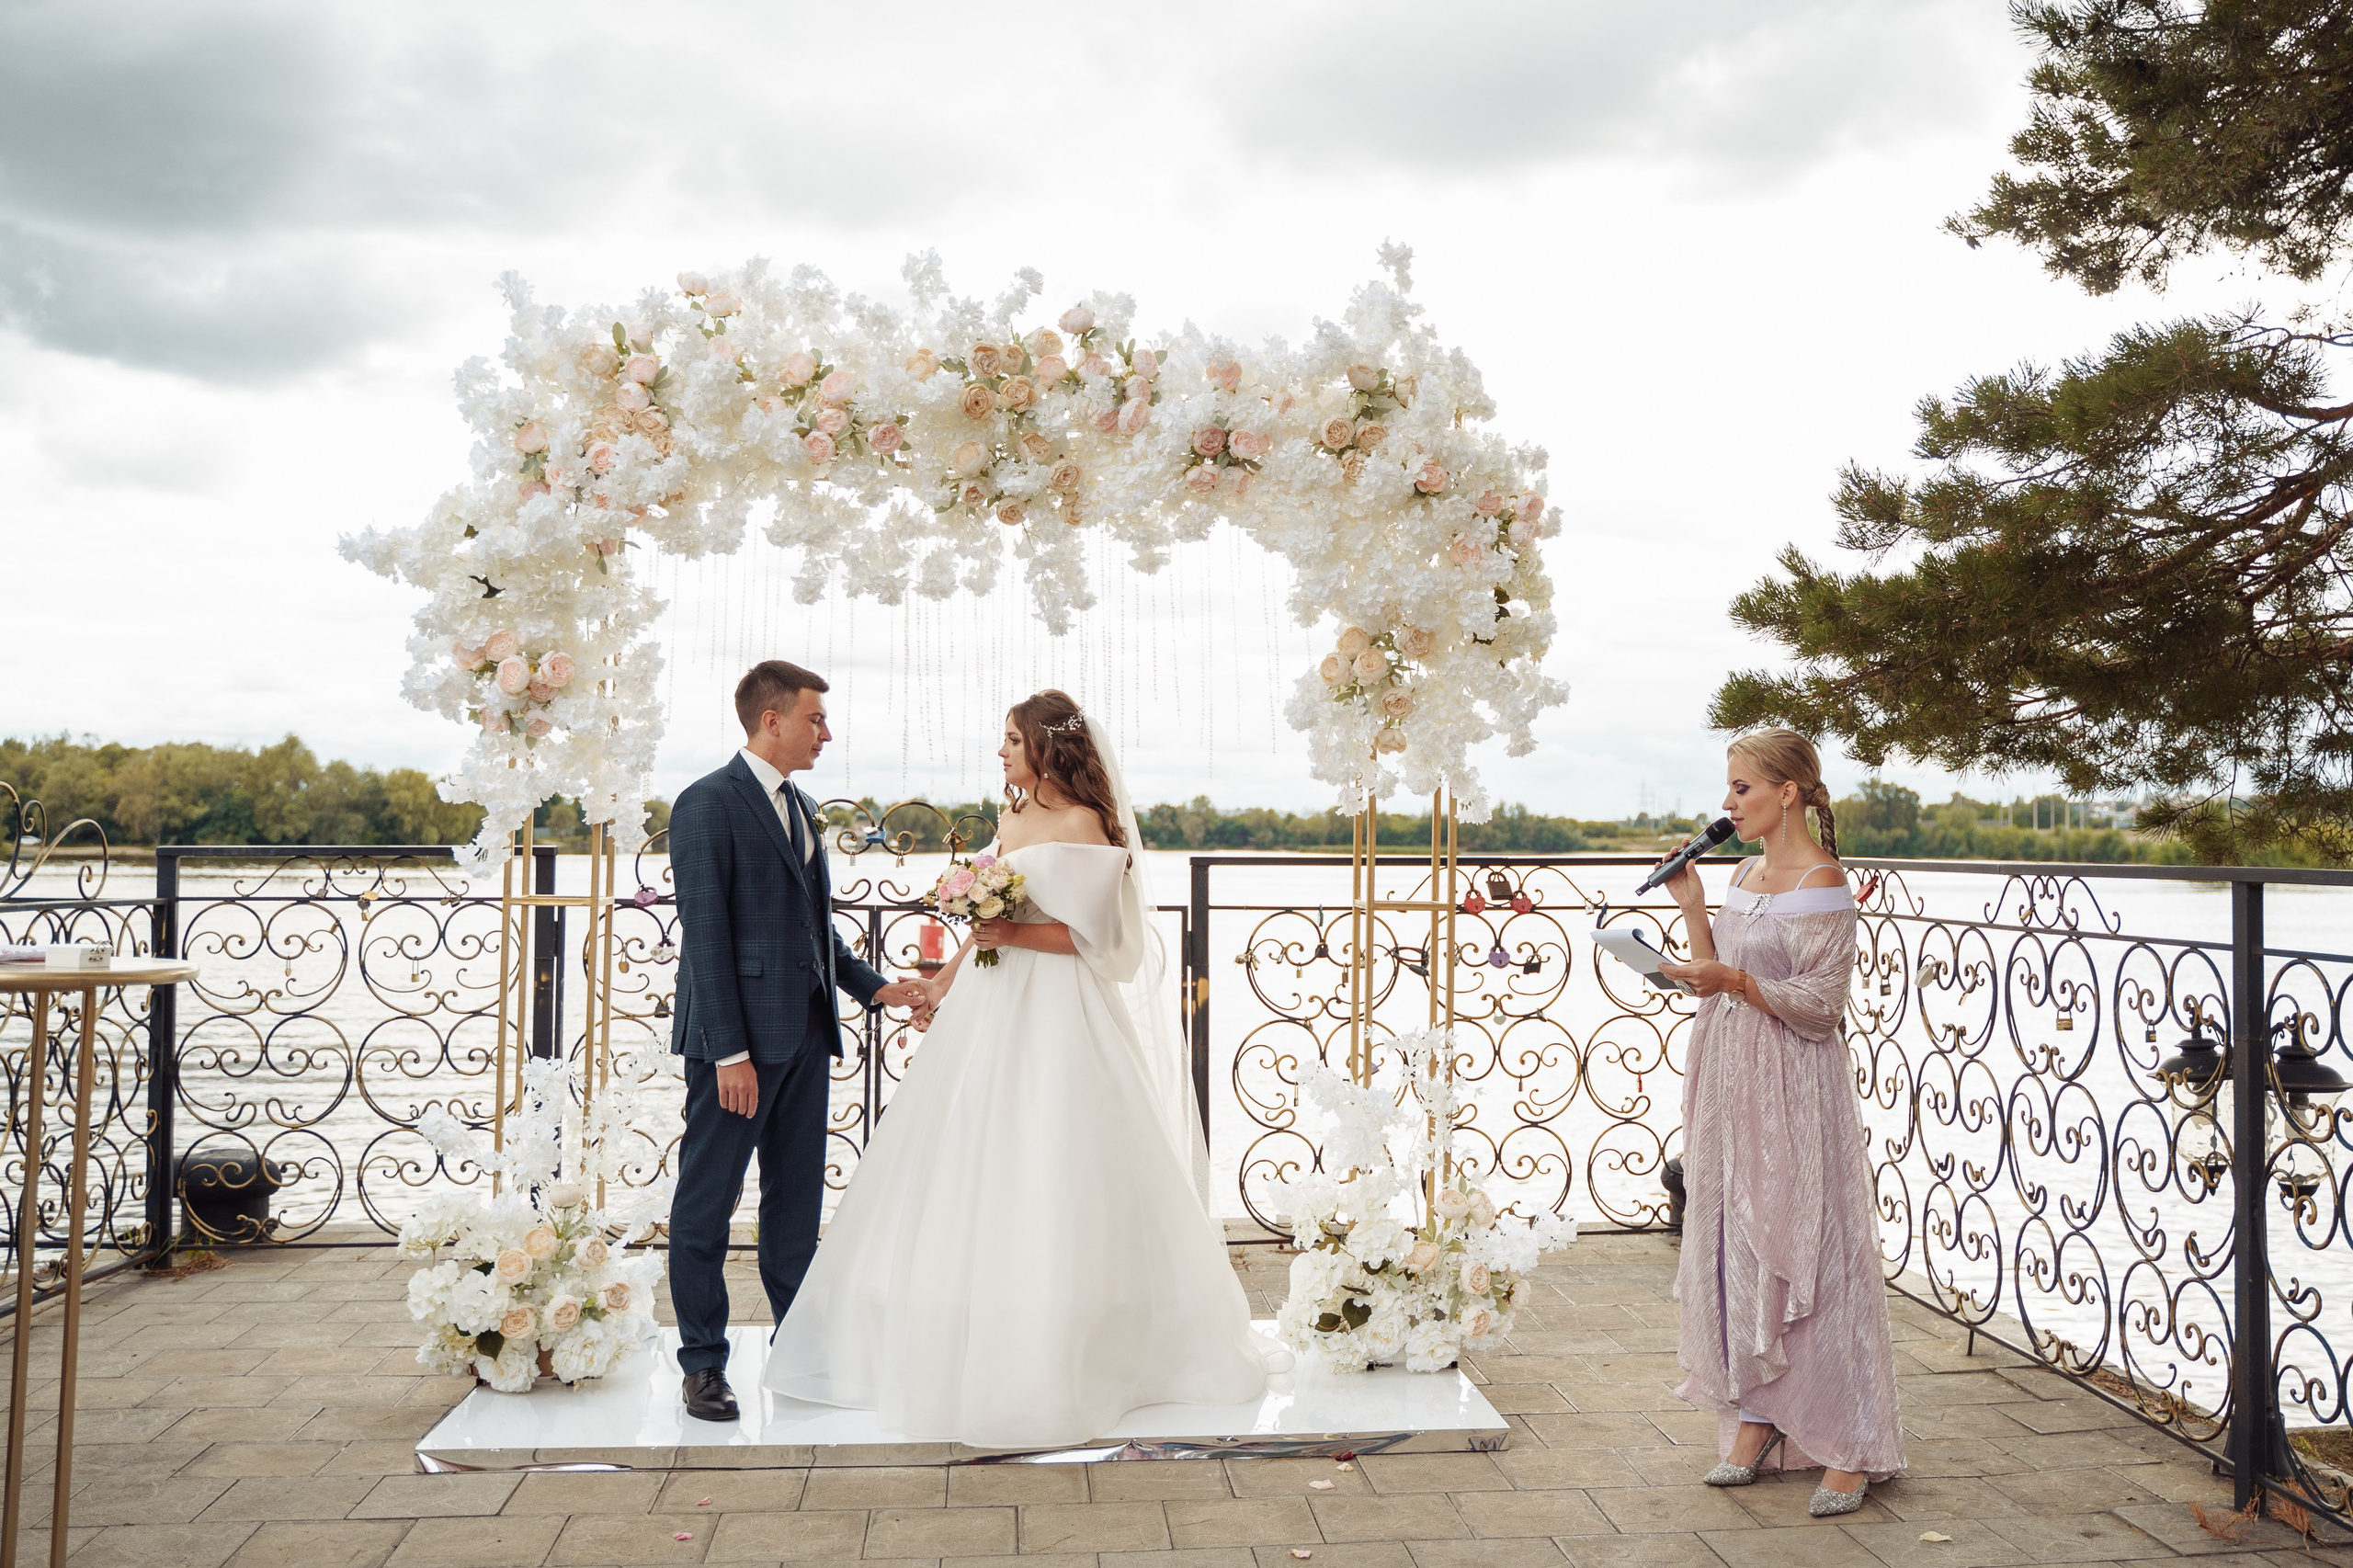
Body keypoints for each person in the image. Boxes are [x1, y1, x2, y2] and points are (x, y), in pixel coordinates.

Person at [761, 689, 1276, 1447]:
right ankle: (968, 1328)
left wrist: (1012, 932)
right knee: (973, 1150)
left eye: (1010, 739)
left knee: (1058, 1153)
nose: (1000, 751)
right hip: (992, 1001)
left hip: (1061, 1007)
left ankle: (1079, 1340)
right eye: (1001, 739)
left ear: (1044, 744)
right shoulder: (1009, 817)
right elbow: (984, 927)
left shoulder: (1086, 823)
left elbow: (1097, 942)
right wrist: (943, 980)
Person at [665, 660, 931, 1422]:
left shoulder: (802, 806)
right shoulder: (706, 805)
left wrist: (878, 988)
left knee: (794, 1206)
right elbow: (707, 941)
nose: (827, 732)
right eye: (816, 718)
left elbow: (818, 932)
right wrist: (729, 1053)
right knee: (705, 1205)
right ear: (771, 719)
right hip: (738, 1050)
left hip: (809, 1038)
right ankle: (703, 1365)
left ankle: (799, 1346)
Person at [1654, 727, 1904, 1516]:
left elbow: (1821, 1007)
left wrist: (1732, 977)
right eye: (1728, 789)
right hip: (1729, 1067)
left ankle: (1849, 1442)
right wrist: (1694, 909)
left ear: (1787, 793)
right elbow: (1715, 978)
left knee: (1810, 1240)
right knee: (1736, 1234)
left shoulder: (1823, 880)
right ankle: (1759, 1416)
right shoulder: (1746, 871)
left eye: (1743, 790)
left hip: (1793, 1077)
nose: (1727, 805)